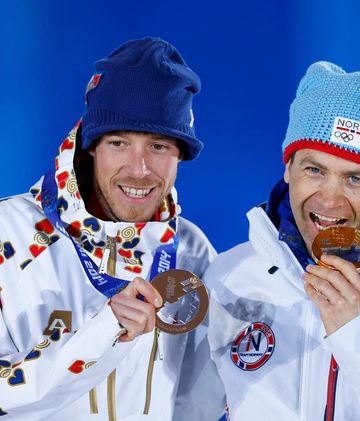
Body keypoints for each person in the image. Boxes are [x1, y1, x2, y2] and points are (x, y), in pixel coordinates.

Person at [175, 61, 360, 420]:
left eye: (355, 179)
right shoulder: (230, 276)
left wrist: (356, 335)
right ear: (288, 168)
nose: (330, 200)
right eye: (314, 170)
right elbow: (190, 412)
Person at [0, 38, 216, 420]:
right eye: (119, 143)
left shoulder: (193, 251)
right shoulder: (8, 233)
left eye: (159, 146)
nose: (139, 169)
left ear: (180, 155)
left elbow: (208, 395)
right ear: (91, 146)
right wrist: (102, 333)